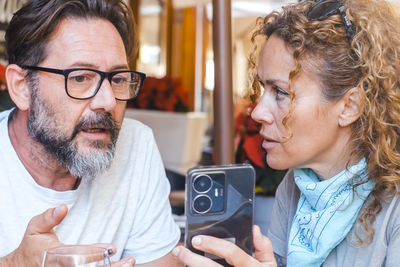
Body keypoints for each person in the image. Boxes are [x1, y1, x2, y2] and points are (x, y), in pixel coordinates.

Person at [173, 0, 400, 266]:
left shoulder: (393, 208)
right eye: (262, 88)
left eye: (281, 92)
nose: (257, 112)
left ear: (349, 107)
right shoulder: (295, 186)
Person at [0, 0, 180, 266]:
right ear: (22, 87)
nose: (107, 102)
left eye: (117, 79)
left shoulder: (135, 145)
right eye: (80, 78)